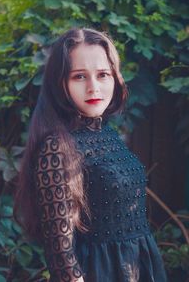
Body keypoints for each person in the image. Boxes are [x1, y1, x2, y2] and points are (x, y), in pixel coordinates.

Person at [14, 27, 167, 282]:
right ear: (60, 83)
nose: (93, 87)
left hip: (136, 266)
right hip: (99, 272)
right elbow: (60, 251)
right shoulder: (57, 146)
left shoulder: (106, 133)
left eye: (103, 74)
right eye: (79, 76)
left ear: (115, 78)